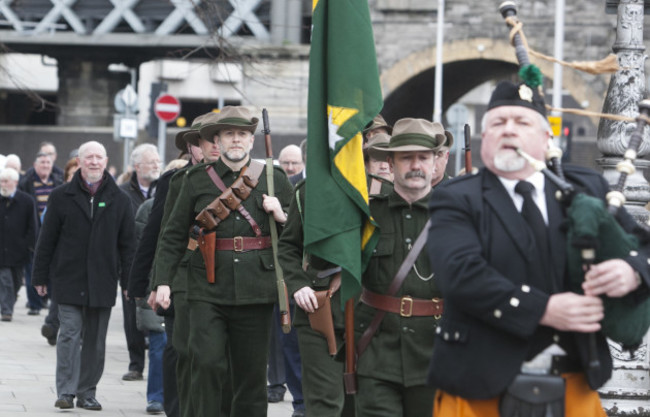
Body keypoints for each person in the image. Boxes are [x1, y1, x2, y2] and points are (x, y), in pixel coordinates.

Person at [427, 81, 650, 417]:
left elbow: (642, 247)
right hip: (478, 387)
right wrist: (542, 309)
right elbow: (458, 273)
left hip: (574, 382)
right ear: (484, 139)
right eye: (498, 123)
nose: (509, 130)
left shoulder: (584, 187)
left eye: (522, 122)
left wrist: (631, 271)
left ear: (547, 140)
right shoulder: (457, 197)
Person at [154, 105, 293, 417]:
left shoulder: (275, 179)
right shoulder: (194, 180)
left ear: (251, 140)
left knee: (251, 375)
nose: (236, 140)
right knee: (206, 363)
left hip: (256, 288)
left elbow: (296, 237)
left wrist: (282, 216)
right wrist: (162, 281)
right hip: (205, 286)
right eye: (229, 133)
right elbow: (172, 234)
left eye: (242, 134)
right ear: (216, 139)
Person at [353, 118, 447, 417]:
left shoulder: (457, 216)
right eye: (406, 157)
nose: (415, 165)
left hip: (435, 352)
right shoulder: (366, 215)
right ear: (390, 165)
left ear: (435, 164)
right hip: (376, 349)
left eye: (423, 157)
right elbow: (336, 272)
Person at [32, 141, 135, 411]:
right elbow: (46, 240)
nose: (93, 162)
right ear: (78, 161)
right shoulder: (60, 196)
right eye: (88, 157)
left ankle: (87, 392)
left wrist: (130, 283)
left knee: (95, 341)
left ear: (106, 161)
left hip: (102, 281)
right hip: (68, 278)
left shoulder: (120, 199)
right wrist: (39, 277)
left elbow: (128, 246)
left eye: (98, 157)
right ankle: (65, 391)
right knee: (69, 334)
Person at [133, 112, 216, 417]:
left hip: (220, 279)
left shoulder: (245, 179)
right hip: (180, 276)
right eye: (203, 142)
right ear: (192, 148)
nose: (212, 147)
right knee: (176, 347)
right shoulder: (173, 180)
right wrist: (144, 282)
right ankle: (176, 408)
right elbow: (157, 233)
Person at [278, 179, 357, 417]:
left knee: (362, 403)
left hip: (371, 312)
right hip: (321, 307)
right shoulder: (308, 191)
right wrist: (298, 285)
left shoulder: (385, 192)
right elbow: (289, 246)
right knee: (324, 403)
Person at [120, 143, 162, 382]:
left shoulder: (165, 187)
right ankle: (136, 364)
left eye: (158, 161)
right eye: (151, 162)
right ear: (137, 166)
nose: (156, 165)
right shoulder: (123, 192)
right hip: (131, 263)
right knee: (132, 316)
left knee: (157, 316)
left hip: (158, 262)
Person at [40, 156, 81, 346]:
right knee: (59, 294)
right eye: (72, 174)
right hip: (61, 258)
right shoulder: (59, 197)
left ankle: (73, 330)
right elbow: (46, 226)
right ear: (66, 177)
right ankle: (52, 325)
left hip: (82, 260)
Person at [19, 151, 63, 315]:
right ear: (35, 165)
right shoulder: (26, 183)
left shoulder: (57, 182)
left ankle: (49, 299)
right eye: (42, 162)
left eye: (48, 163)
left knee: (53, 268)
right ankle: (35, 304)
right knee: (32, 268)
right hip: (33, 232)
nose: (45, 165)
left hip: (53, 232)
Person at [0, 168, 38, 322]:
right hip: (1, 250)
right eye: (1, 181)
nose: (3, 184)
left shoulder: (27, 201)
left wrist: (29, 246)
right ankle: (6, 310)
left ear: (15, 182)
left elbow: (33, 226)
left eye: (6, 181)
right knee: (5, 280)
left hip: (19, 250)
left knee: (15, 282)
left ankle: (8, 300)